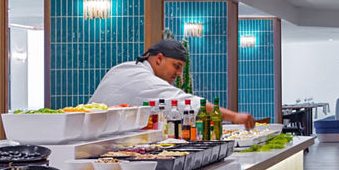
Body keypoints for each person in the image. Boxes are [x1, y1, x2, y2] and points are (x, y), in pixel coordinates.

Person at [89, 38, 256, 129]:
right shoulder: (142, 78)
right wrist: (235, 117)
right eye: (176, 66)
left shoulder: (125, 68)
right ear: (159, 59)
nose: (178, 74)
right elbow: (190, 102)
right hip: (94, 149)